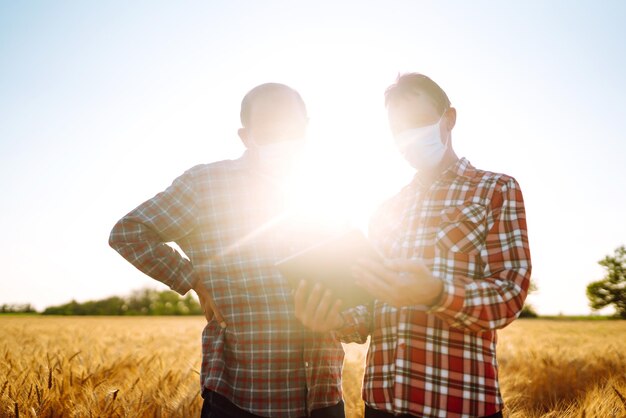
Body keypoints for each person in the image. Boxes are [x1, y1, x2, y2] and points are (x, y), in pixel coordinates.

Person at [295, 73, 531, 418]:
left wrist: (436, 294)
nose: (409, 137)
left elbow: (510, 294)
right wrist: (333, 320)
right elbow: (371, 307)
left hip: (457, 405)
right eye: (398, 130)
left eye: (419, 122)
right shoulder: (387, 209)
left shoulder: (495, 189)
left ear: (448, 118)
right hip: (380, 404)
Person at [109, 83, 345, 418]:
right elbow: (128, 232)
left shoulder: (327, 191)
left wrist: (341, 316)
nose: (283, 136)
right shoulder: (205, 185)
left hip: (321, 395)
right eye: (269, 126)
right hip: (240, 396)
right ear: (246, 136)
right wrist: (191, 278)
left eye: (291, 126)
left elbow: (354, 291)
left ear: (306, 129)